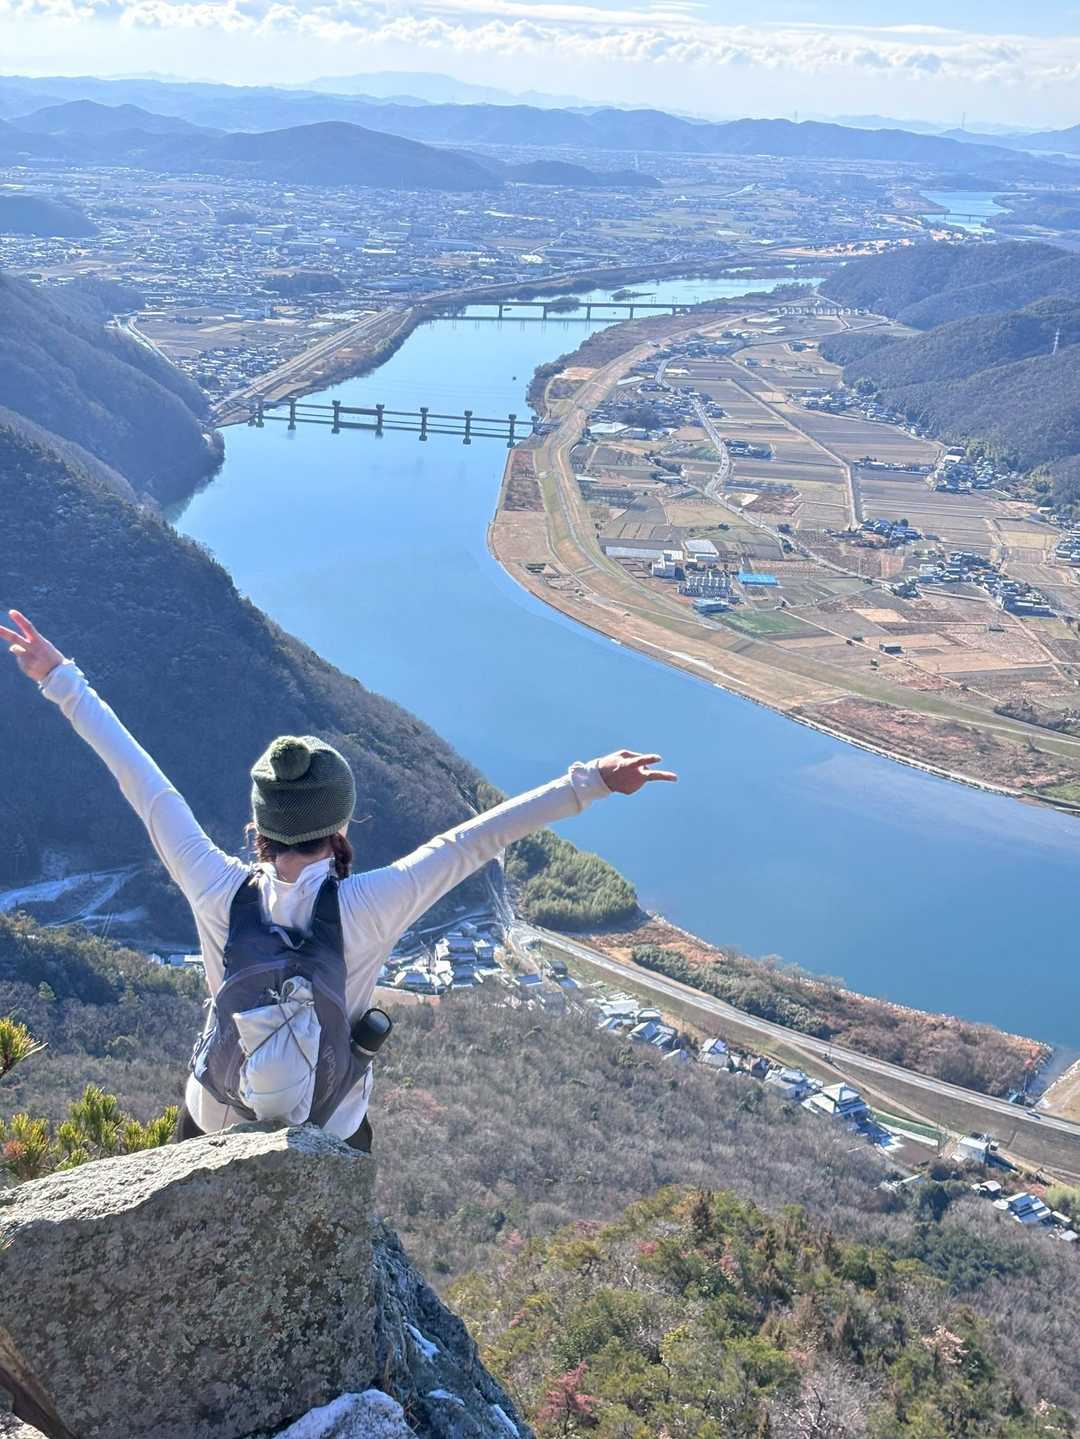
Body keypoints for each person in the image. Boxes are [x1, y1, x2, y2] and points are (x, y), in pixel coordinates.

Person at [1, 609, 677, 1148]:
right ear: (341, 823)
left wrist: (60, 678)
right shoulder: (372, 903)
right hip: (327, 1123)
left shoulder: (214, 885)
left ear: (258, 824)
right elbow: (478, 839)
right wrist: (591, 781)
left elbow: (143, 781)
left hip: (216, 1116)